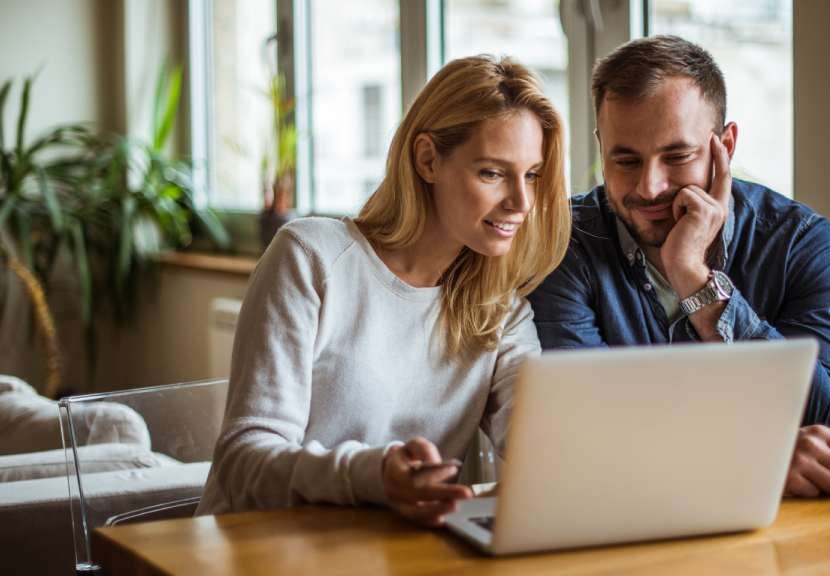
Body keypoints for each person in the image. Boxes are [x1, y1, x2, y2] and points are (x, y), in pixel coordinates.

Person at [197, 55, 571, 525]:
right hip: (256, 550)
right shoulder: (311, 258)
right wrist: (371, 476)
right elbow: (242, 462)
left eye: (532, 175)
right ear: (427, 159)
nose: (521, 202)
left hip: (387, 554)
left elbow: (538, 447)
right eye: (493, 173)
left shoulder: (501, 311)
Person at [527, 35, 830, 498]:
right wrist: (755, 456)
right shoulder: (563, 242)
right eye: (626, 160)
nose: (649, 187)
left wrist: (695, 278)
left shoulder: (801, 242)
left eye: (677, 156)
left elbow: (829, 422)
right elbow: (584, 431)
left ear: (724, 146)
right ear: (601, 147)